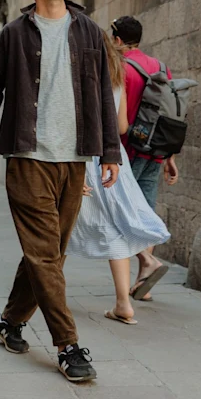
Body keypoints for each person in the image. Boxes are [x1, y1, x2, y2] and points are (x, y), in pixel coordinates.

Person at [0, 0, 121, 383]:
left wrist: (110, 152)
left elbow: (102, 98)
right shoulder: (15, 34)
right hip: (28, 156)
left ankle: (10, 320)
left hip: (74, 159)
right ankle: (67, 345)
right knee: (44, 254)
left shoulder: (89, 32)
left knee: (48, 255)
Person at [66, 32, 171, 325]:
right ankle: (124, 301)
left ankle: (45, 294)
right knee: (115, 224)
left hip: (84, 157)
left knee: (61, 222)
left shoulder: (78, 77)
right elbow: (122, 125)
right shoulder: (115, 75)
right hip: (113, 159)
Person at [110, 16, 178, 301]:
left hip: (128, 153)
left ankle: (147, 263)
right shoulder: (160, 67)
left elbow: (119, 121)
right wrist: (171, 156)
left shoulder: (121, 68)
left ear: (117, 40)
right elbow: (171, 114)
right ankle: (142, 283)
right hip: (157, 152)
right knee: (146, 212)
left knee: (116, 213)